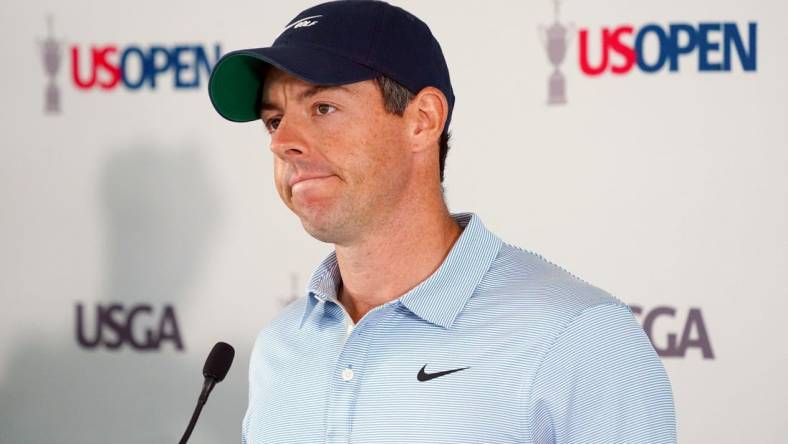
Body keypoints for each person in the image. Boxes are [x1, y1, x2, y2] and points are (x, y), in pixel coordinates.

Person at [207, 1, 677, 443]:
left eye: (323, 108)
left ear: (423, 120)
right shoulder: (282, 344)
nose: (281, 141)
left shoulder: (579, 334)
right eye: (273, 120)